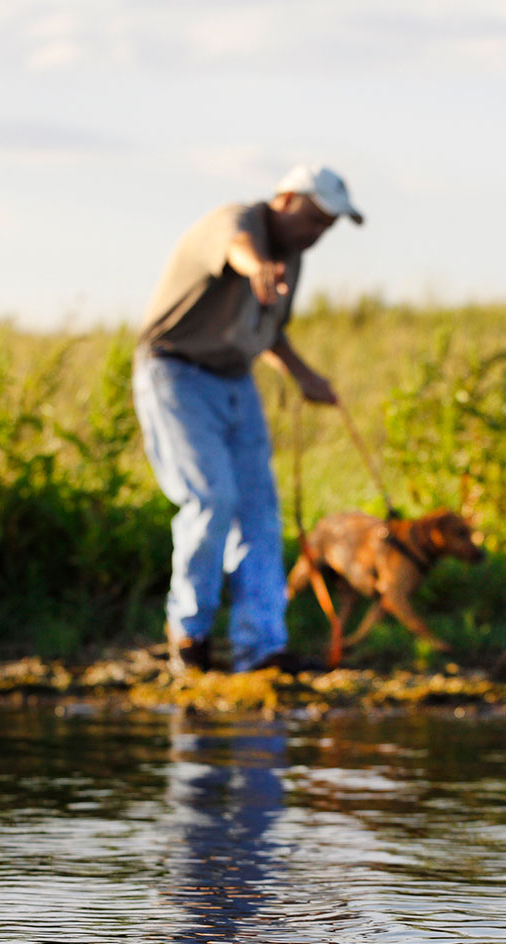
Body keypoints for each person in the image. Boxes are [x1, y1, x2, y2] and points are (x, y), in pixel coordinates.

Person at [133, 164, 364, 673]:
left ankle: (260, 648)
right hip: (176, 371)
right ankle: (189, 638)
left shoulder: (293, 257)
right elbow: (237, 248)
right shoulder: (237, 222)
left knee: (260, 512)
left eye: (328, 226)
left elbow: (268, 333)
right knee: (211, 499)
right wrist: (256, 264)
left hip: (235, 379)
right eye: (315, 218)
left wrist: (305, 377)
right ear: (285, 199)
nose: (318, 233)